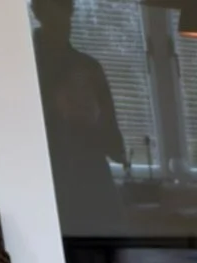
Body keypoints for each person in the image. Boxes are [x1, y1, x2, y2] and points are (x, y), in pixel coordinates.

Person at [32, 0, 128, 237]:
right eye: (58, 10)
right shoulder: (25, 69)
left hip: (92, 188)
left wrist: (91, 118)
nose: (66, 19)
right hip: (49, 187)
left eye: (68, 10)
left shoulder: (88, 68)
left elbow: (115, 145)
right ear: (39, 12)